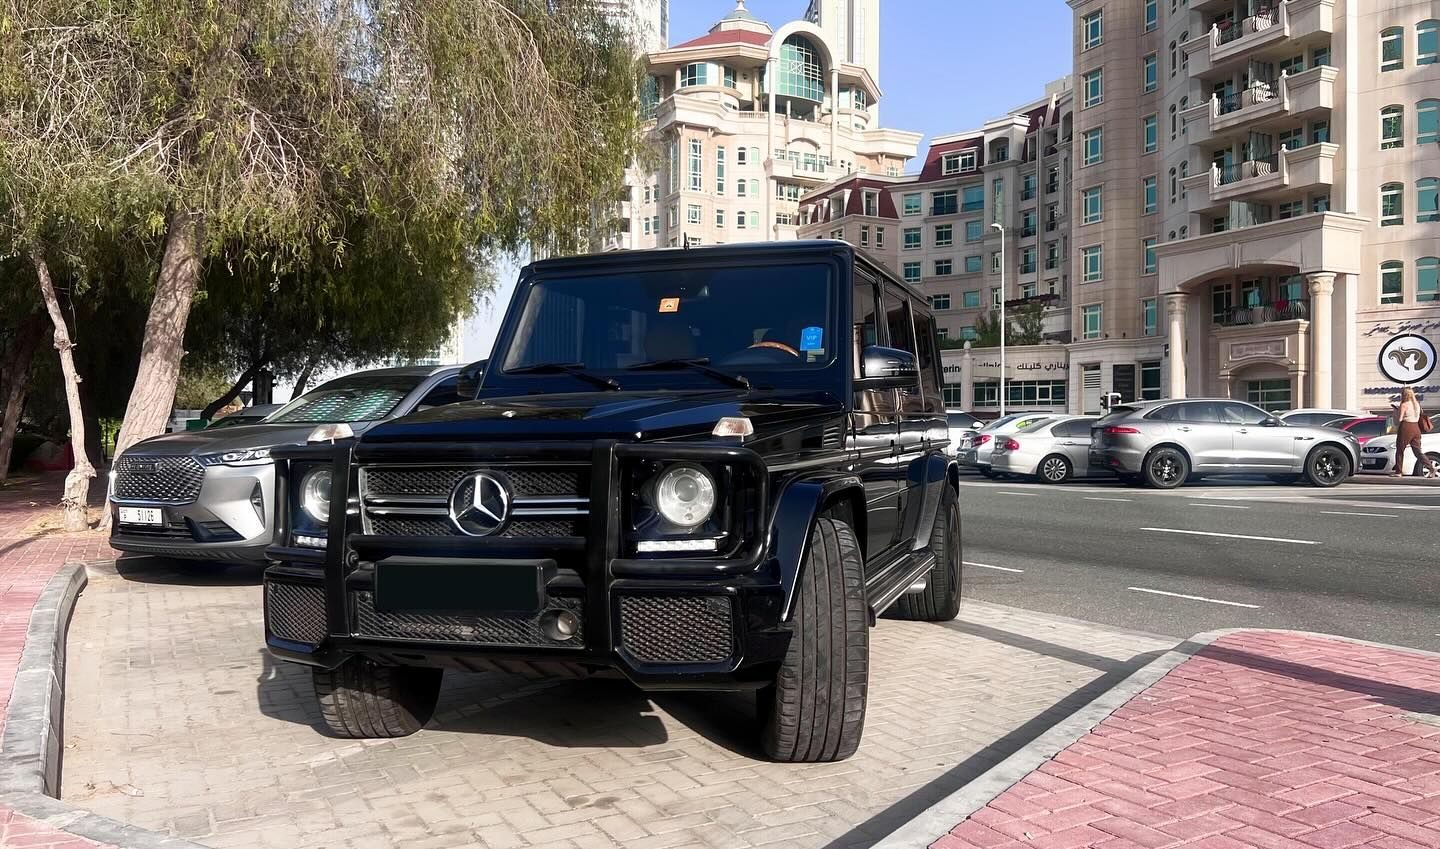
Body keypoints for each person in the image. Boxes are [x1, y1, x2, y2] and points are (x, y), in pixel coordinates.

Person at [1391, 387, 1437, 477]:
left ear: (1404, 395)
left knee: (1400, 449)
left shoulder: (1404, 404)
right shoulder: (1416, 404)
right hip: (1416, 428)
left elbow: (1399, 420)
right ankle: (1431, 467)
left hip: (1406, 427)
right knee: (1417, 451)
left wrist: (1396, 412)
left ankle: (1398, 472)